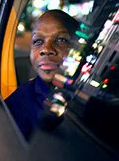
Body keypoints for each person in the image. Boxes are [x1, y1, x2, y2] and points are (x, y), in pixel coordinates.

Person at [5, 9, 79, 141]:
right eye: (38, 41)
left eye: (61, 40)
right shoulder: (22, 97)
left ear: (75, 49)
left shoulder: (75, 96)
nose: (46, 49)